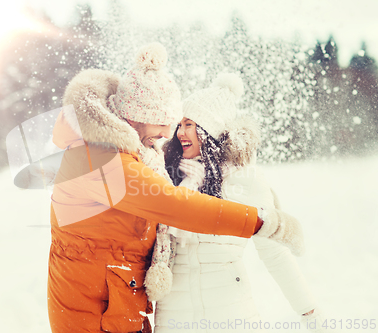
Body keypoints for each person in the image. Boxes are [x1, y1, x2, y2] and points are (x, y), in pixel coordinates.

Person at [47, 44, 303, 333]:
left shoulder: (130, 155)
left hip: (114, 306)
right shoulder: (99, 158)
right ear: (136, 116)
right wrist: (262, 221)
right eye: (164, 122)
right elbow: (173, 206)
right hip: (93, 315)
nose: (169, 133)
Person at [145, 73, 325, 333]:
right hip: (175, 317)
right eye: (179, 125)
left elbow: (274, 253)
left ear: (210, 130)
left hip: (231, 316)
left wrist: (309, 311)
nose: (180, 132)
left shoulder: (245, 180)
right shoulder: (166, 175)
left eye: (189, 124)